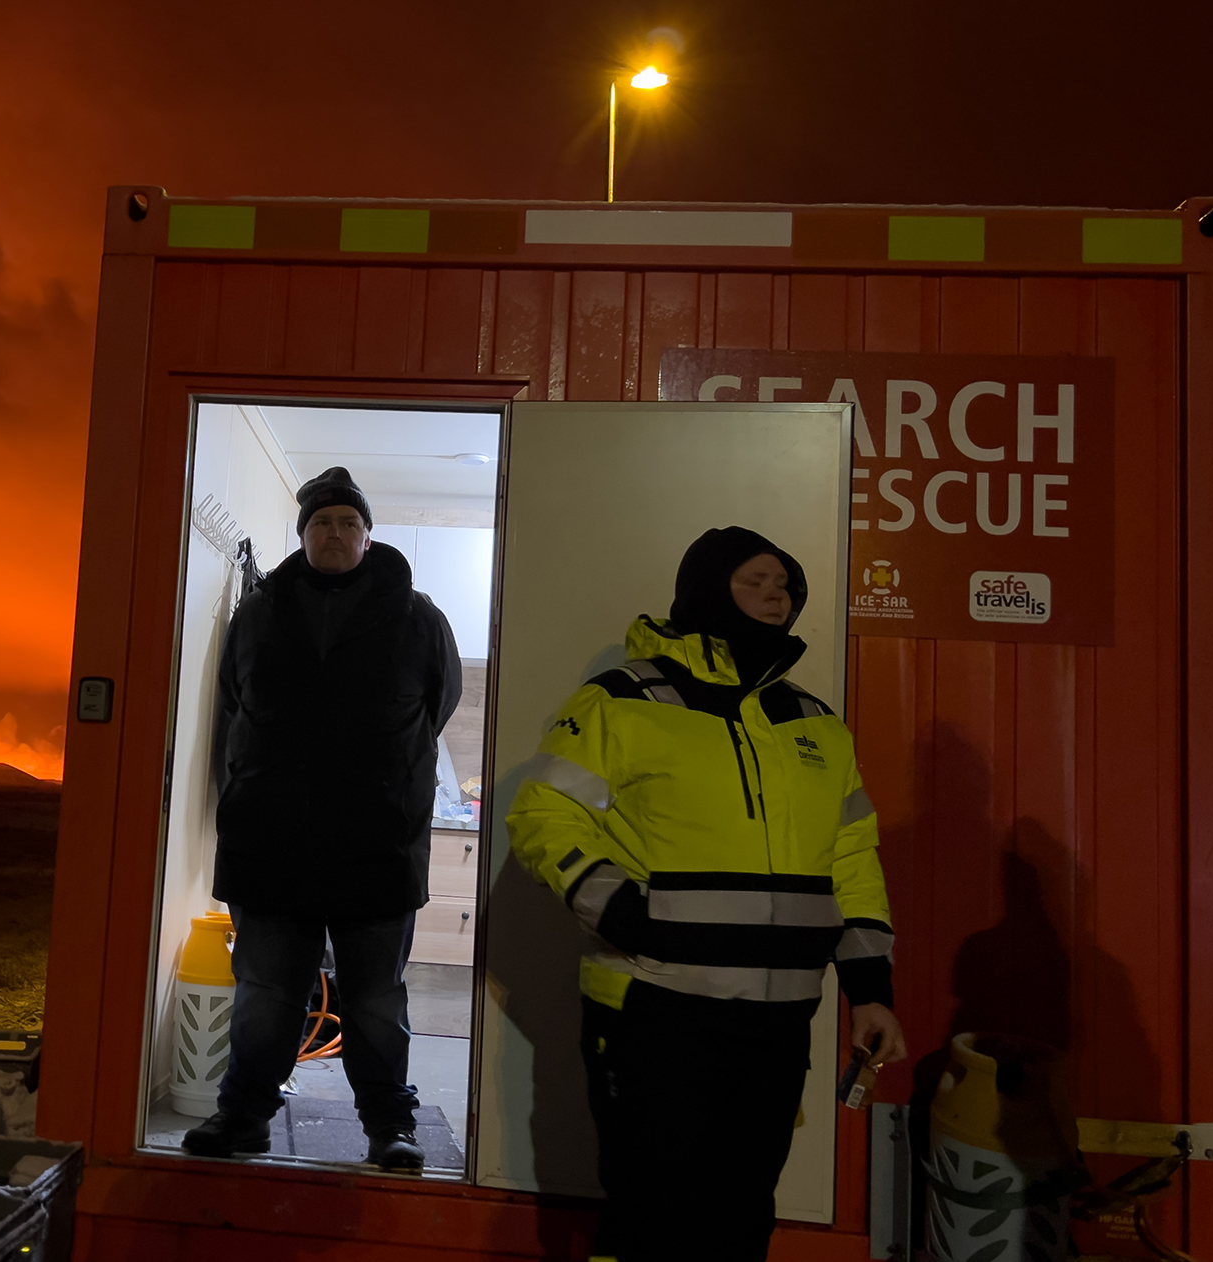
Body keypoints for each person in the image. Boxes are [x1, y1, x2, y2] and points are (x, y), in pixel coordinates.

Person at [505, 526, 906, 1262]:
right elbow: (542, 815)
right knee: (651, 1216)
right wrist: (625, 912)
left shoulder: (816, 723)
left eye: (783, 584)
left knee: (742, 1214)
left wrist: (870, 989)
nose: (773, 594)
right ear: (705, 591)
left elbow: (852, 858)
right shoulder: (623, 700)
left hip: (781, 1020)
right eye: (752, 580)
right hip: (655, 1009)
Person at [182, 466, 462, 1171]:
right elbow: (233, 707)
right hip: (270, 846)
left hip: (376, 847)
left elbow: (439, 704)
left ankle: (388, 1128)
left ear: (368, 537)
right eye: (320, 523)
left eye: (347, 523)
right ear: (302, 535)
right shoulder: (259, 612)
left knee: (373, 1001)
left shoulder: (418, 615)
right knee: (266, 994)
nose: (333, 533)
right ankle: (242, 1116)